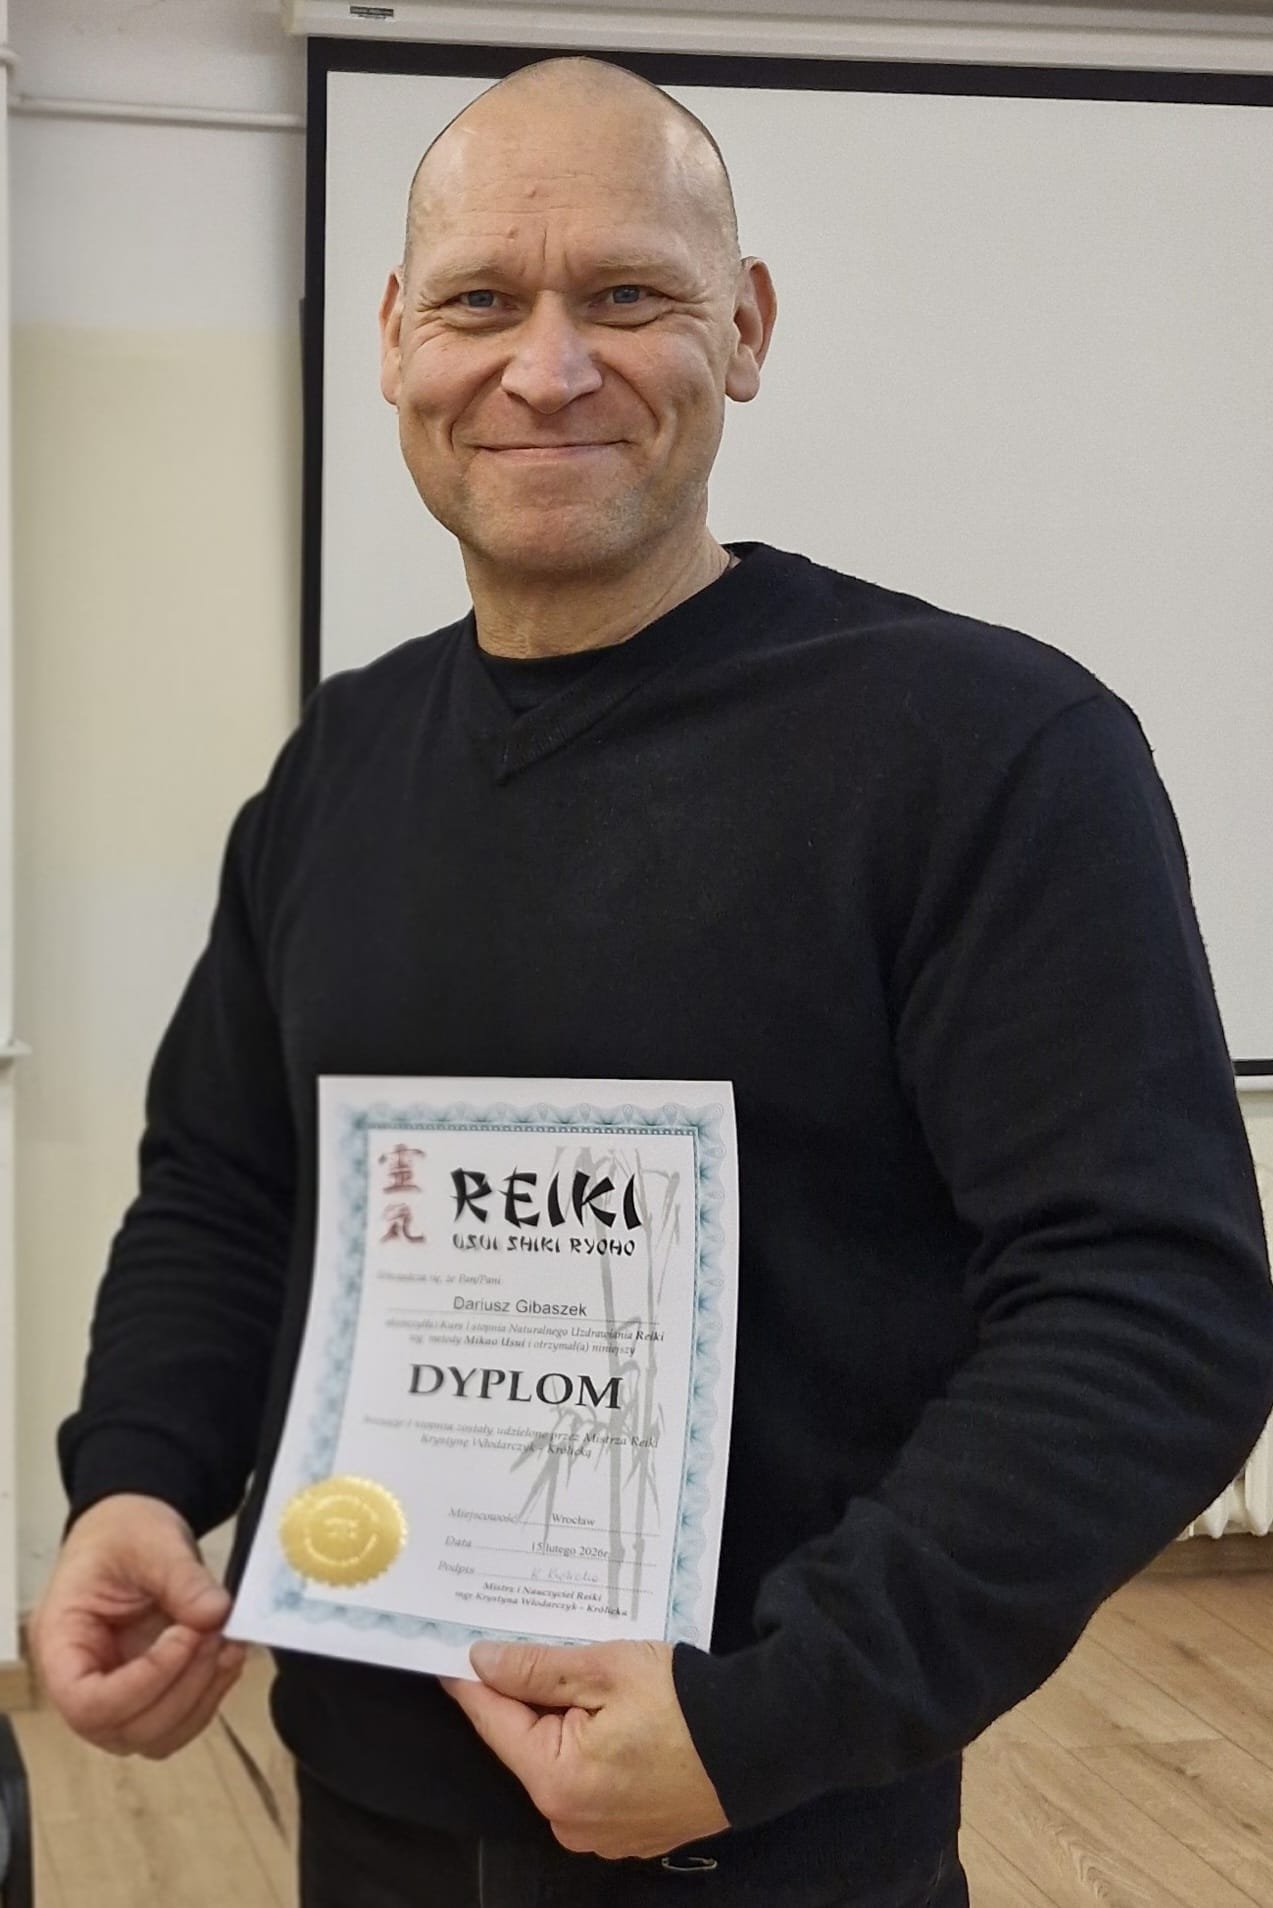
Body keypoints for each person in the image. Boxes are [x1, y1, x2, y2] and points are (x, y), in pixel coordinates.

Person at [29, 53, 1273, 1908]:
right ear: (393, 339)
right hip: (361, 1792)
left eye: (624, 294)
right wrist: (137, 1474)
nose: (544, 369)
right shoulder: (340, 765)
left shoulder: (981, 751)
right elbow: (226, 1188)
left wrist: (768, 1716)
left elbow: (1150, 1307)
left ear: (743, 327)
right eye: (478, 302)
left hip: (763, 1826)